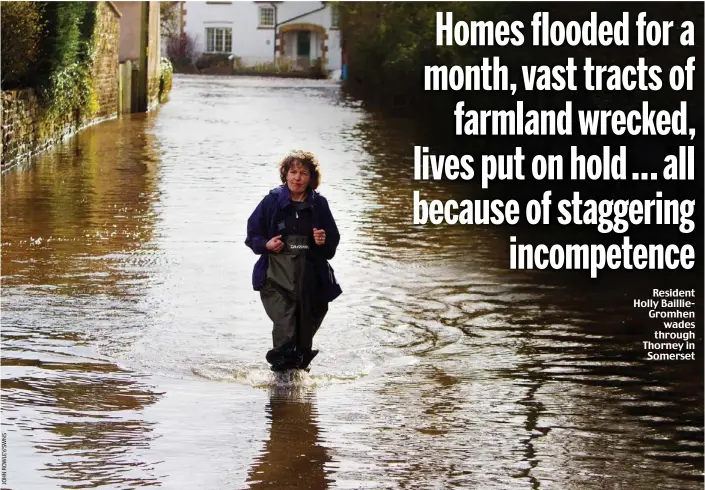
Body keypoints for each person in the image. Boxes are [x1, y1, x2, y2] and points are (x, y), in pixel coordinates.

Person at [245, 151, 342, 371]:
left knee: (304, 333)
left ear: (311, 178)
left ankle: (298, 382)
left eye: (303, 173)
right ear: (285, 174)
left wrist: (322, 240)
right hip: (275, 277)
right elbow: (252, 236)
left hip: (311, 279)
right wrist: (267, 245)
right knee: (285, 325)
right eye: (293, 172)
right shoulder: (271, 201)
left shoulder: (320, 204)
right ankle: (280, 384)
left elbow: (331, 247)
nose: (297, 178)